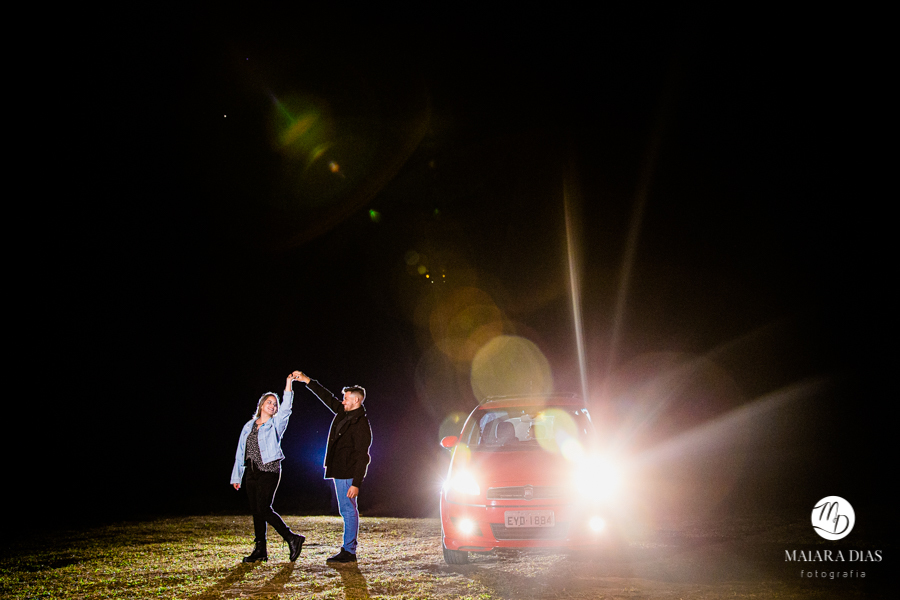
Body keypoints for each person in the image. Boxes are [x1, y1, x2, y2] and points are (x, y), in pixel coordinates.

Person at [293, 370, 372, 563]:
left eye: (346, 398)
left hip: (348, 474)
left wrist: (356, 483)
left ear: (356, 400)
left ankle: (349, 551)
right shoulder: (342, 413)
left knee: (348, 510)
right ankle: (348, 549)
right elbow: (326, 397)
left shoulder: (361, 424)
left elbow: (363, 456)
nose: (342, 401)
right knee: (346, 510)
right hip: (338, 470)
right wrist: (307, 381)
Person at [231, 373, 305, 563]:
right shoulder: (249, 425)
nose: (273, 405)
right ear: (261, 404)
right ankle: (260, 550)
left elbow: (287, 408)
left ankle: (292, 538)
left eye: (275, 404)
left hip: (269, 469)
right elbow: (241, 450)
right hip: (252, 472)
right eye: (269, 402)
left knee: (264, 508)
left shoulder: (276, 424)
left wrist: (289, 382)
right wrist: (237, 476)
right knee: (256, 510)